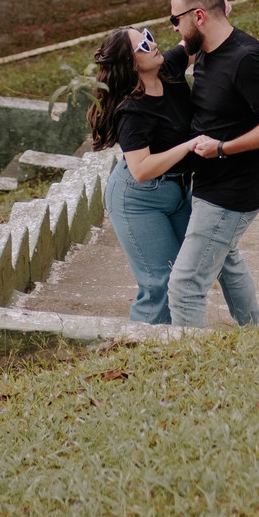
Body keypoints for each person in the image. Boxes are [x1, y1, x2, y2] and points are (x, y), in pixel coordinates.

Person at [166, 0, 259, 329]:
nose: (174, 30)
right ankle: (256, 335)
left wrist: (223, 148)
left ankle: (193, 373)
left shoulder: (247, 58)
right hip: (212, 185)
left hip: (231, 192)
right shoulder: (208, 50)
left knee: (184, 286)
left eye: (174, 20)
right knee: (227, 260)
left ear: (197, 17)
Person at [88, 24, 200, 324]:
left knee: (187, 274)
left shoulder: (169, 70)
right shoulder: (131, 110)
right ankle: (143, 352)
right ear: (130, 63)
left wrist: (211, 9)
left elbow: (190, 43)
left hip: (177, 190)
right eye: (142, 45)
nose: (152, 45)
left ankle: (180, 342)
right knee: (159, 283)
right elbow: (140, 169)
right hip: (138, 200)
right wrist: (189, 147)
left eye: (149, 36)